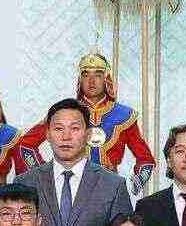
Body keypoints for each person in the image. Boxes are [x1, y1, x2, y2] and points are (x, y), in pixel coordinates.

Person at [21, 97, 135, 226]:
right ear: (47, 134)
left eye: (74, 128)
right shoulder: (26, 182)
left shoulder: (113, 185)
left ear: (88, 134)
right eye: (58, 129)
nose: (66, 136)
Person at [9, 52, 158, 194]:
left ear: (106, 79)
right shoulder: (64, 112)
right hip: (70, 186)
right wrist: (44, 175)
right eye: (86, 75)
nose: (91, 81)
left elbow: (146, 160)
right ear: (80, 80)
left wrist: (135, 183)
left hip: (109, 187)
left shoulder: (124, 115)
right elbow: (26, 145)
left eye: (97, 75)